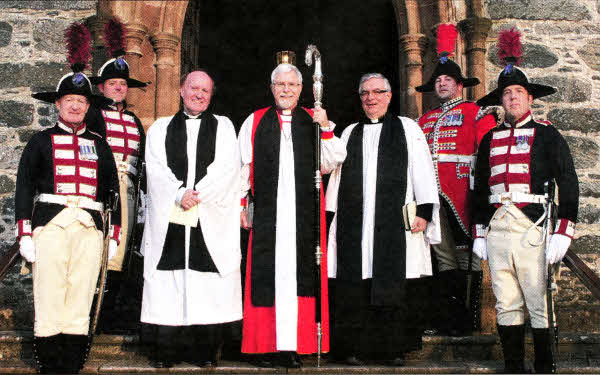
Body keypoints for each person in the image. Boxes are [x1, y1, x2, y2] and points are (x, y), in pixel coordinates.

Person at [15, 22, 121, 374]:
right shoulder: (40, 142)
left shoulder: (100, 145)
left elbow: (112, 192)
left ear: (88, 106)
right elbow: (24, 187)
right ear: (58, 104)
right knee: (49, 292)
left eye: (81, 101)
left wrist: (114, 235)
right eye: (69, 100)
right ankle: (49, 361)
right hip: (51, 224)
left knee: (81, 292)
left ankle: (73, 361)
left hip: (89, 227)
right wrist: (25, 232)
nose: (75, 106)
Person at [473, 28, 579, 374]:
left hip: (532, 225)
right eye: (507, 93)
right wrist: (478, 232)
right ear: (501, 100)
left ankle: (544, 367)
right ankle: (514, 367)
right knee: (506, 303)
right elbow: (478, 186)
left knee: (538, 302)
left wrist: (563, 231)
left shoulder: (548, 135)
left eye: (518, 92)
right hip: (498, 227)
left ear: (529, 98)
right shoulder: (489, 138)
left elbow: (568, 182)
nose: (513, 98)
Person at [238, 52, 346, 368]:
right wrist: (242, 206)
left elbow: (331, 161)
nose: (286, 89)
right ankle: (265, 346)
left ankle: (297, 346)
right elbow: (242, 168)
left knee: (302, 277)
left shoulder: (312, 119)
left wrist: (325, 127)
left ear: (301, 88)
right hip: (268, 214)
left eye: (292, 84)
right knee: (266, 278)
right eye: (280, 84)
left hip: (303, 214)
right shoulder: (255, 120)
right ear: (271, 87)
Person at [326, 73, 440, 366]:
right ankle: (353, 348)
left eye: (377, 92)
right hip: (357, 223)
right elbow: (336, 180)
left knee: (392, 279)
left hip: (395, 222)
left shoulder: (407, 129)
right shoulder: (351, 132)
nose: (371, 98)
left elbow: (423, 171)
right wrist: (331, 217)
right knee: (356, 278)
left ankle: (392, 349)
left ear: (389, 96)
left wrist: (425, 213)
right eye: (365, 93)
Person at [140, 70, 242, 368]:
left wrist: (197, 194)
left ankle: (205, 353)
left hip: (207, 214)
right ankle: (166, 352)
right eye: (193, 88)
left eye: (205, 90)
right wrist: (177, 193)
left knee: (206, 282)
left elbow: (227, 167)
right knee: (168, 278)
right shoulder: (160, 128)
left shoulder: (223, 127)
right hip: (172, 216)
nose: (199, 94)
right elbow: (155, 167)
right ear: (181, 90)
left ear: (211, 95)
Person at [416, 23, 497, 336]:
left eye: (447, 79)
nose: (441, 84)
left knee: (470, 257)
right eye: (438, 79)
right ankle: (448, 319)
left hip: (463, 193)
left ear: (460, 84)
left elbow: (489, 155)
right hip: (432, 197)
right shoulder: (424, 120)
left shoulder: (475, 113)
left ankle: (470, 321)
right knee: (443, 257)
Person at [86, 19, 148, 333]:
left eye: (123, 83)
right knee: (101, 249)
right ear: (102, 87)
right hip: (103, 191)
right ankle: (90, 314)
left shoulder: (135, 120)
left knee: (124, 252)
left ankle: (112, 315)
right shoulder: (94, 115)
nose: (119, 87)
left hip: (131, 192)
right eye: (113, 83)